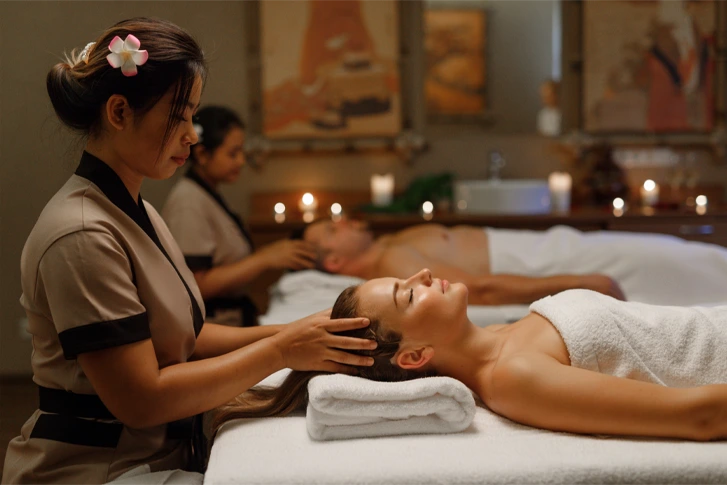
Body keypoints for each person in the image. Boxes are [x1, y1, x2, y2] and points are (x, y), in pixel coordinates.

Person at [2, 18, 376, 485]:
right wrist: (282, 349)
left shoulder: (136, 211)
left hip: (158, 454)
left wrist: (298, 331)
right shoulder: (81, 234)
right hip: (96, 470)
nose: (192, 136)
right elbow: (142, 400)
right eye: (179, 116)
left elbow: (184, 338)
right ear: (119, 112)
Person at [212, 268, 727, 441]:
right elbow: (699, 417)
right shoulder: (512, 378)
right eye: (409, 295)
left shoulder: (504, 335)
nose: (422, 275)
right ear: (414, 357)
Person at [297, 217, 727, 306]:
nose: (344, 221)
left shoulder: (390, 243)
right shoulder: (391, 261)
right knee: (680, 262)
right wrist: (581, 283)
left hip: (541, 247)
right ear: (334, 262)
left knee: (684, 256)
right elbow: (480, 289)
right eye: (332, 230)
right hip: (537, 263)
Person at [162, 106, 316, 327]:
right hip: (212, 324)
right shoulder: (188, 202)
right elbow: (195, 284)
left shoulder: (206, 193)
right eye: (233, 154)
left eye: (242, 152)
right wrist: (264, 258)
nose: (241, 161)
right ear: (202, 155)